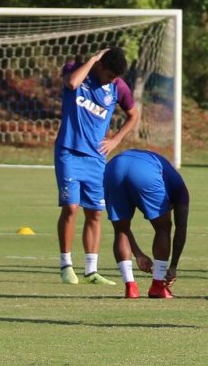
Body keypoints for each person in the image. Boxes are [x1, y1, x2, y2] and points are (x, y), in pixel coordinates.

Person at [55, 47, 141, 285]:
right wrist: (93, 58)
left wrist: (116, 139)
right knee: (71, 207)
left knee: (95, 212)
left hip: (96, 158)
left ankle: (91, 270)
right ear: (100, 66)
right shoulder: (75, 70)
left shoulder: (118, 87)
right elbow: (72, 84)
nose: (113, 80)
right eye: (110, 75)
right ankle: (66, 264)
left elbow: (133, 115)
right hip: (69, 151)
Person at [104, 149, 189, 298]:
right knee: (163, 227)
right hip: (144, 172)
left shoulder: (171, 180)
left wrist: (138, 254)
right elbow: (180, 229)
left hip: (114, 166)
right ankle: (158, 286)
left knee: (120, 229)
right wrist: (173, 267)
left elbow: (123, 229)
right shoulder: (181, 191)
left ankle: (130, 286)